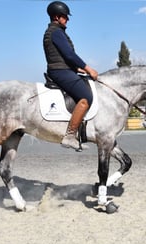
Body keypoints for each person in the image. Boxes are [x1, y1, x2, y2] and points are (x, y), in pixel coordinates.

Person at [43, 1, 98, 150]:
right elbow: (69, 55)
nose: (67, 19)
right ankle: (70, 136)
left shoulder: (56, 32)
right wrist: (88, 68)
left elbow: (63, 56)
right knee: (86, 98)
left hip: (63, 69)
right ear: (56, 17)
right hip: (59, 71)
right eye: (65, 17)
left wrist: (78, 70)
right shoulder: (56, 32)